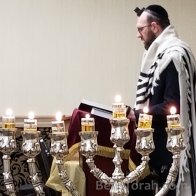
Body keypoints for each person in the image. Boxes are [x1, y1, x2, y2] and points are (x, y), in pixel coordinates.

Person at [130, 4, 196, 196]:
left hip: (171, 151)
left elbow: (173, 107)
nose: (138, 35)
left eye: (140, 29)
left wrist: (139, 114)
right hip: (158, 148)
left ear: (155, 26)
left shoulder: (174, 56)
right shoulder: (160, 54)